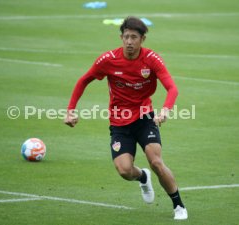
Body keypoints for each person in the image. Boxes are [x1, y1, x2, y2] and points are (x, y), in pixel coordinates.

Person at [64, 16, 188, 220]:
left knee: (156, 161)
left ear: (142, 39)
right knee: (124, 170)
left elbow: (172, 88)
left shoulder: (152, 59)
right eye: (126, 37)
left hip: (145, 117)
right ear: (121, 37)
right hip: (119, 121)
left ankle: (178, 206)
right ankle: (143, 176)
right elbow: (83, 80)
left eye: (134, 37)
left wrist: (165, 110)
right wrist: (70, 110)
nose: (129, 41)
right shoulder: (108, 60)